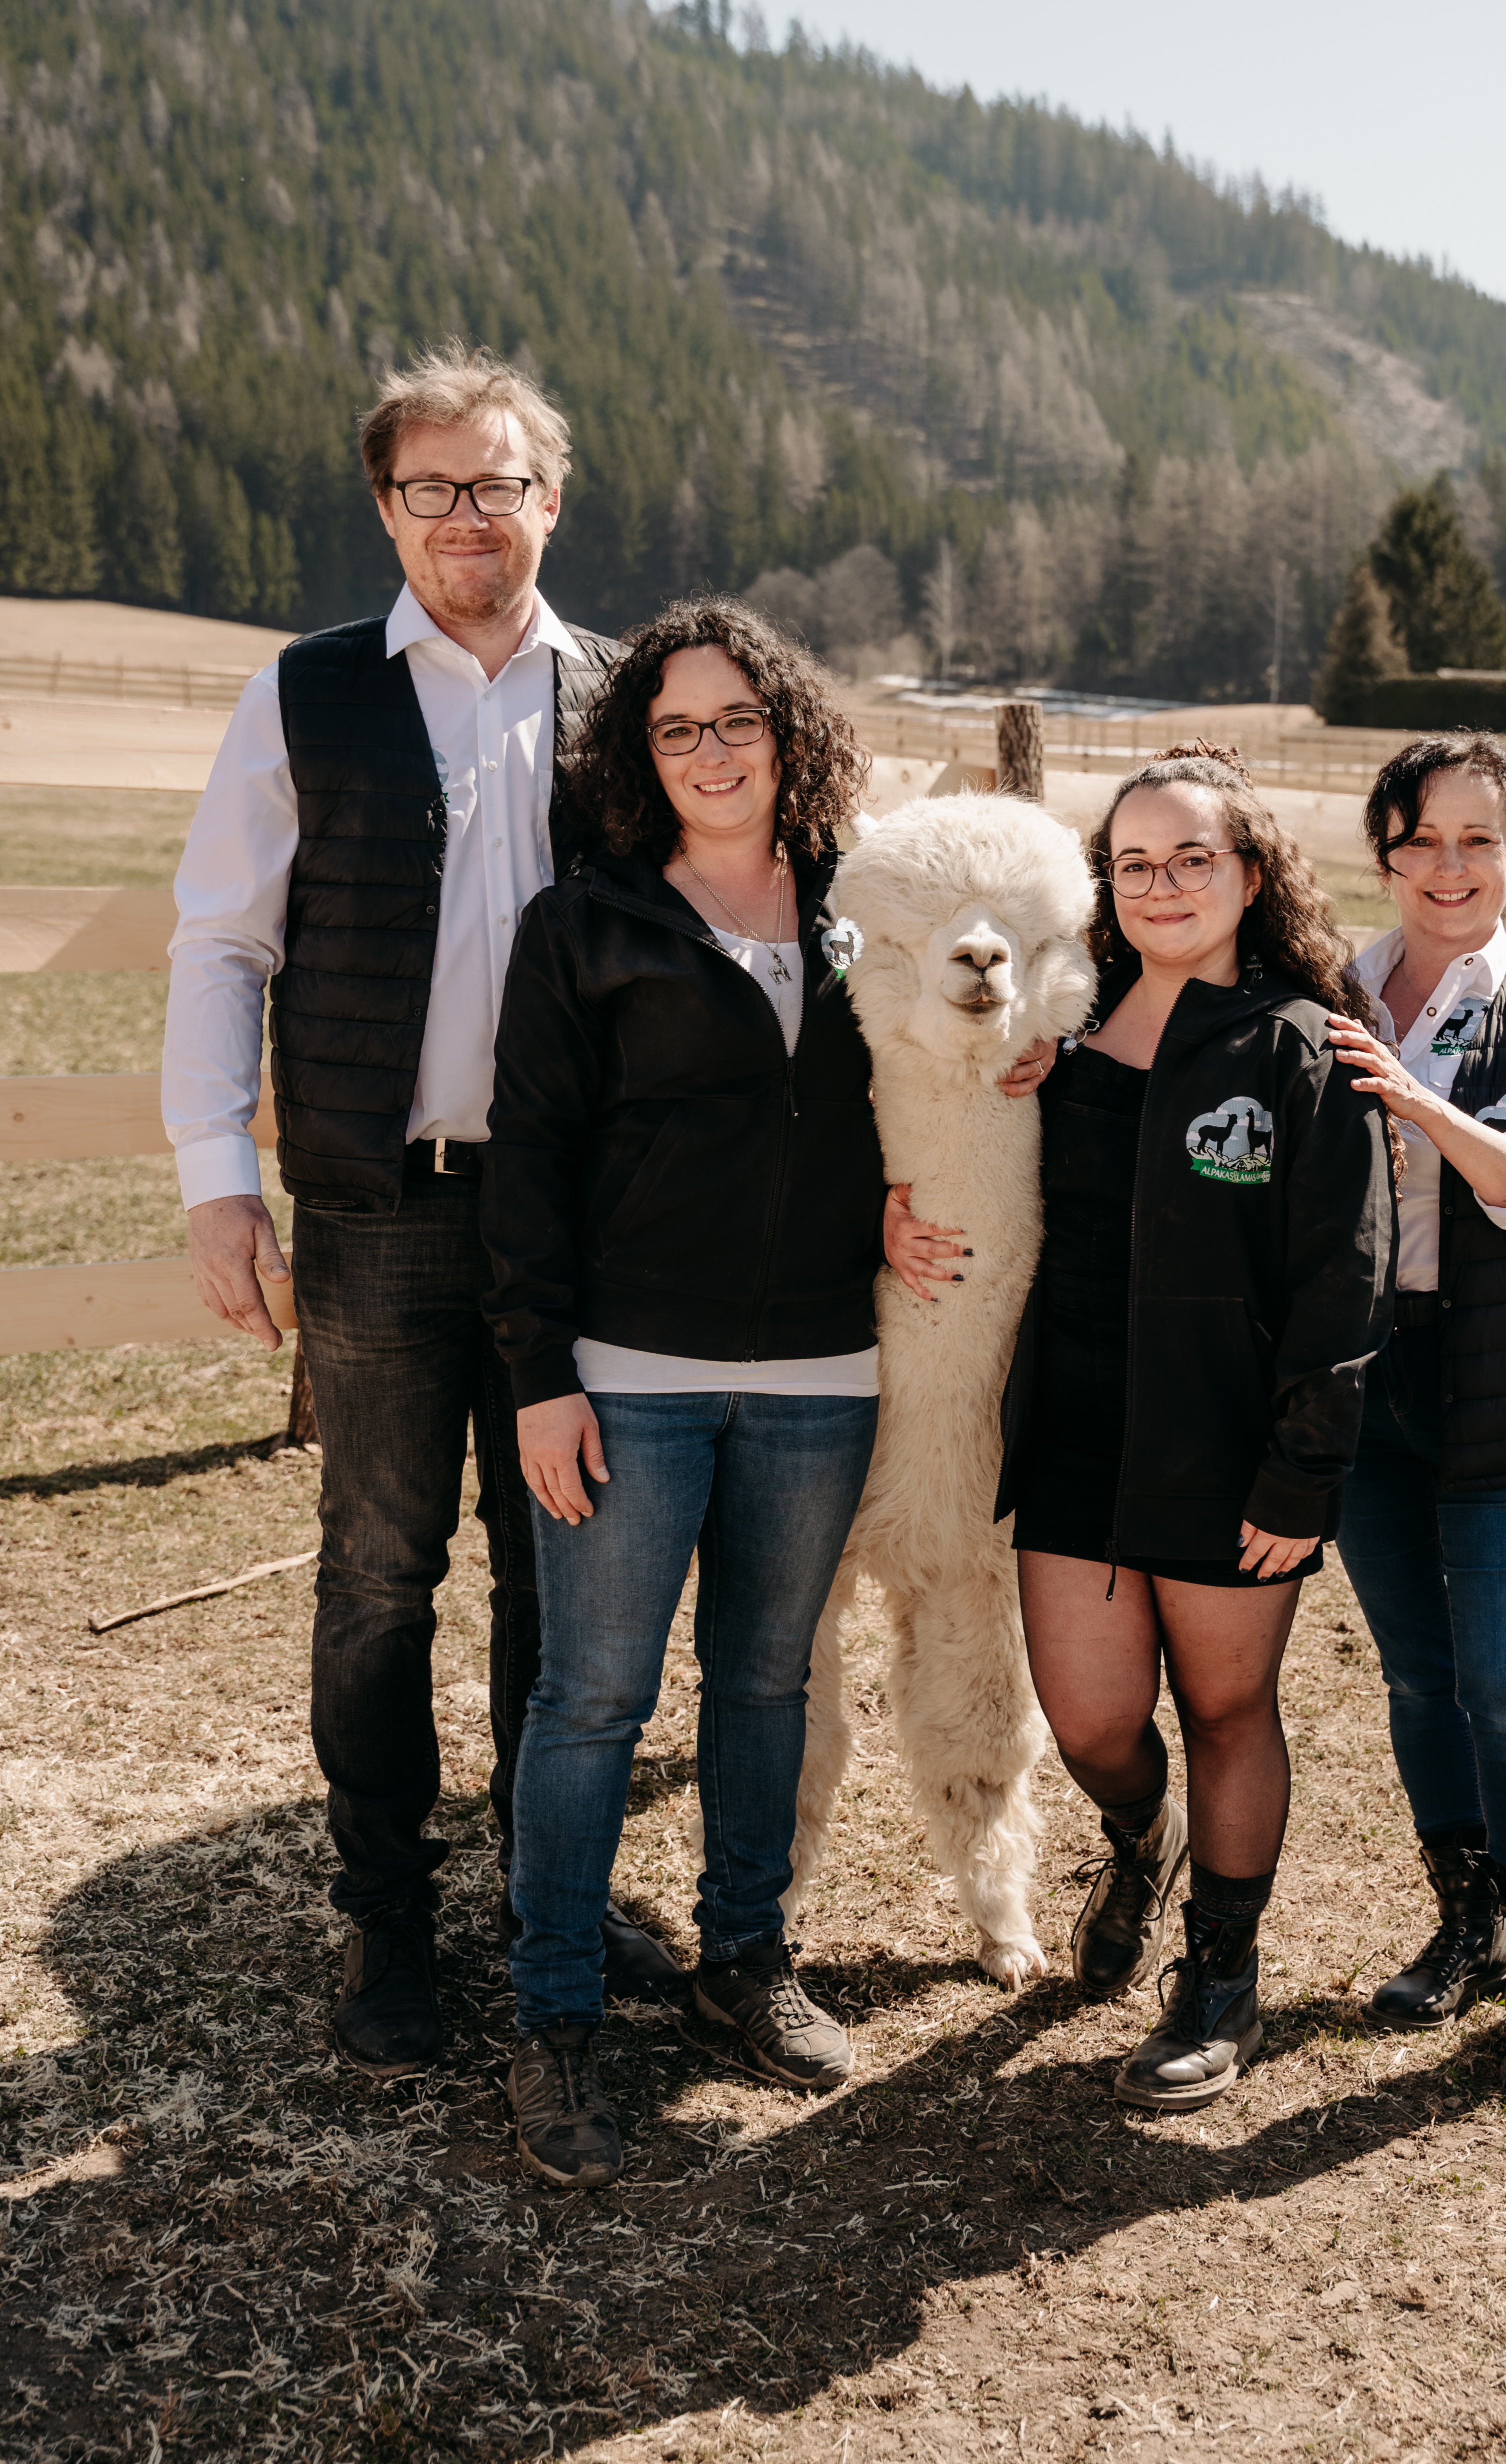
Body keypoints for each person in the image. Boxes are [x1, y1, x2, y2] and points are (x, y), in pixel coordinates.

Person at [162, 342, 686, 2080]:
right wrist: (219, 1187)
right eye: (433, 488)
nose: (471, 517)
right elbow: (222, 945)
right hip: (380, 1211)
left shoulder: (628, 702)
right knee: (383, 1574)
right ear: (388, 507)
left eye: (501, 483)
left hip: (581, 1227)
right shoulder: (306, 694)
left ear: (553, 498)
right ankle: (390, 1919)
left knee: (572, 1572)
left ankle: (558, 1887)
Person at [478, 597, 1049, 2190]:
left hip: (818, 1371)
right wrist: (540, 1379)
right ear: (635, 753)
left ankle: (745, 1960)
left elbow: (911, 1080)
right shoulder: (586, 927)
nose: (711, 751)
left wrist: (1003, 1086)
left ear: (786, 733)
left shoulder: (860, 920)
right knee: (591, 1699)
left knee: (764, 1681)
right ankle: (558, 2013)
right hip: (633, 1374)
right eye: (676, 728)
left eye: (737, 720)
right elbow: (529, 1166)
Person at [934, 742, 1396, 2116]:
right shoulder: (1059, 1047)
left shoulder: (1298, 1049)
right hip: (1076, 1431)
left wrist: (1302, 1470)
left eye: (1194, 857)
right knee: (1092, 1725)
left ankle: (1221, 1974)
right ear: (1106, 887)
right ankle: (1144, 1840)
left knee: (1226, 1705)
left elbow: (1346, 1281)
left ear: (1250, 875)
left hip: (1228, 1448)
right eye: (1135, 864)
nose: (1165, 883)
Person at [1323, 730, 1506, 2107]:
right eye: (1424, 839)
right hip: (1368, 1385)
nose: (1451, 868)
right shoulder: (1328, 994)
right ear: (1386, 848)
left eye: (1480, 841)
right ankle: (1464, 1918)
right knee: (1418, 1673)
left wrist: (1412, 1098)